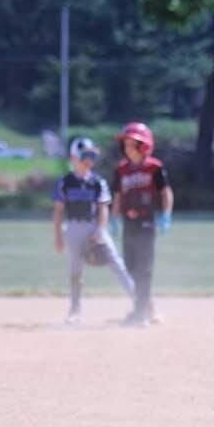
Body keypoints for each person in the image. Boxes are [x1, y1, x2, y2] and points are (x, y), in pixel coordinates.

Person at [53, 137, 135, 324]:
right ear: (74, 157)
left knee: (117, 264)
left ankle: (141, 304)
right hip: (73, 228)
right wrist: (58, 237)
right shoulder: (65, 182)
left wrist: (100, 230)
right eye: (85, 155)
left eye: (92, 155)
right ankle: (74, 312)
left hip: (94, 227)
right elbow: (58, 211)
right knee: (75, 271)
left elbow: (103, 208)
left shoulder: (98, 182)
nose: (89, 159)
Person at [112, 122, 173, 328]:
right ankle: (147, 307)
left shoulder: (154, 167)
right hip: (129, 223)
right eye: (126, 144)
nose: (128, 148)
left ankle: (140, 314)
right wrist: (114, 218)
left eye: (132, 144)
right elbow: (117, 196)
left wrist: (166, 215)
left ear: (144, 146)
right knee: (130, 268)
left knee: (143, 269)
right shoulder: (122, 169)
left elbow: (166, 193)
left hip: (146, 222)